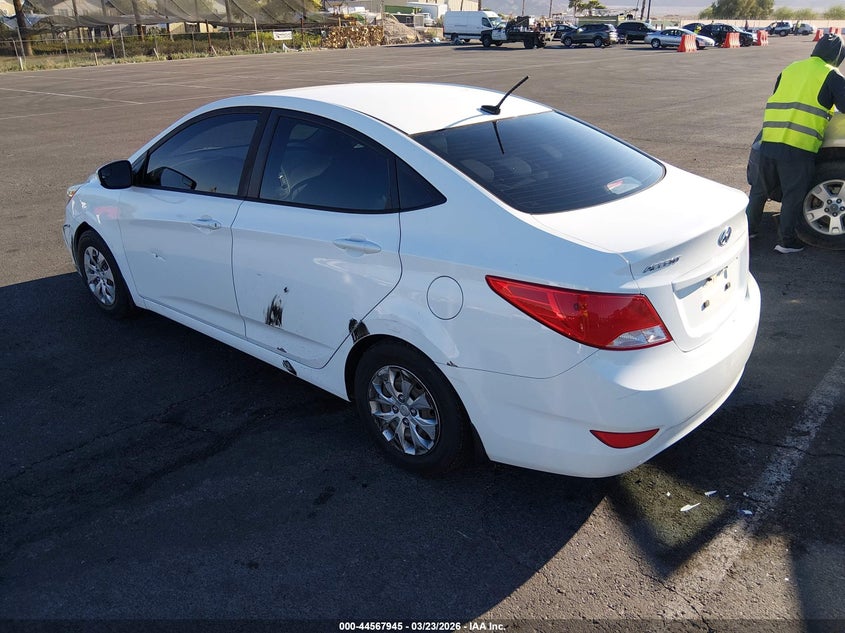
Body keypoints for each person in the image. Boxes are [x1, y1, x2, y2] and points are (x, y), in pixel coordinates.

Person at [746, 34, 845, 253]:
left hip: (768, 141)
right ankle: (786, 242)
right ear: (838, 56)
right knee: (793, 195)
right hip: (798, 147)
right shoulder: (832, 75)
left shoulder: (790, 69)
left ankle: (748, 231)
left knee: (759, 191)